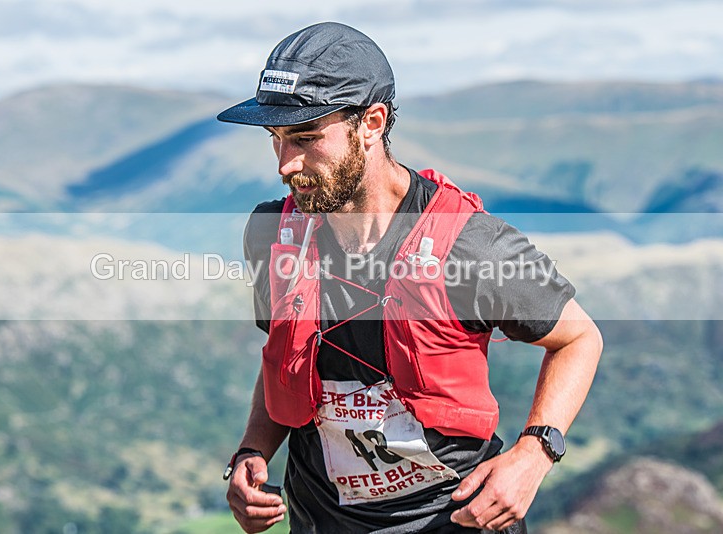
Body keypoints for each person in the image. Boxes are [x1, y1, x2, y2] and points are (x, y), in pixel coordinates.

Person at [217, 22, 603, 534]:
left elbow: (579, 338)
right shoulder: (272, 234)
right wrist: (253, 449)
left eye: (307, 138)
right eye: (277, 139)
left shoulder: (468, 242)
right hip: (321, 521)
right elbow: (284, 360)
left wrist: (534, 454)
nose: (287, 165)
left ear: (372, 123)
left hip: (457, 519)